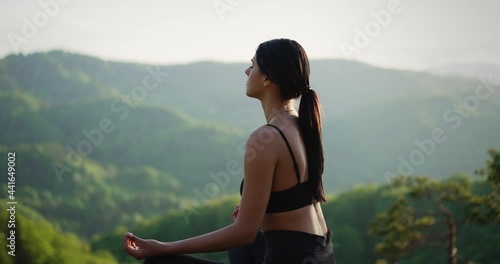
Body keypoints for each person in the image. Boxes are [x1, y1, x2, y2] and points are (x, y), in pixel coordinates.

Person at [123, 38, 336, 264]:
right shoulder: (302, 124)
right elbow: (292, 203)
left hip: (290, 258)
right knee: (242, 250)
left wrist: (163, 248)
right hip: (321, 255)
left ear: (267, 78)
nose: (247, 71)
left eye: (253, 66)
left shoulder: (266, 138)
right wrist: (256, 214)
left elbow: (244, 232)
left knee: (159, 262)